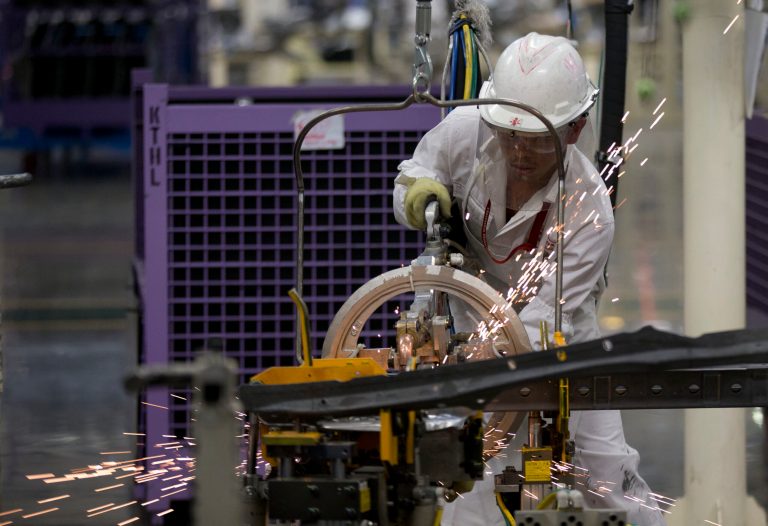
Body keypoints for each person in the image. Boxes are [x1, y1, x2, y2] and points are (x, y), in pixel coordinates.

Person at [393, 33, 666, 525]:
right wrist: (419, 196)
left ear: (574, 129)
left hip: (559, 331)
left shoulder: (590, 212)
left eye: (537, 140)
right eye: (509, 134)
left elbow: (540, 314)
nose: (518, 151)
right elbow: (414, 174)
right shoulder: (466, 130)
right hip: (467, 314)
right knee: (467, 477)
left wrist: (482, 356)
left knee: (609, 478)